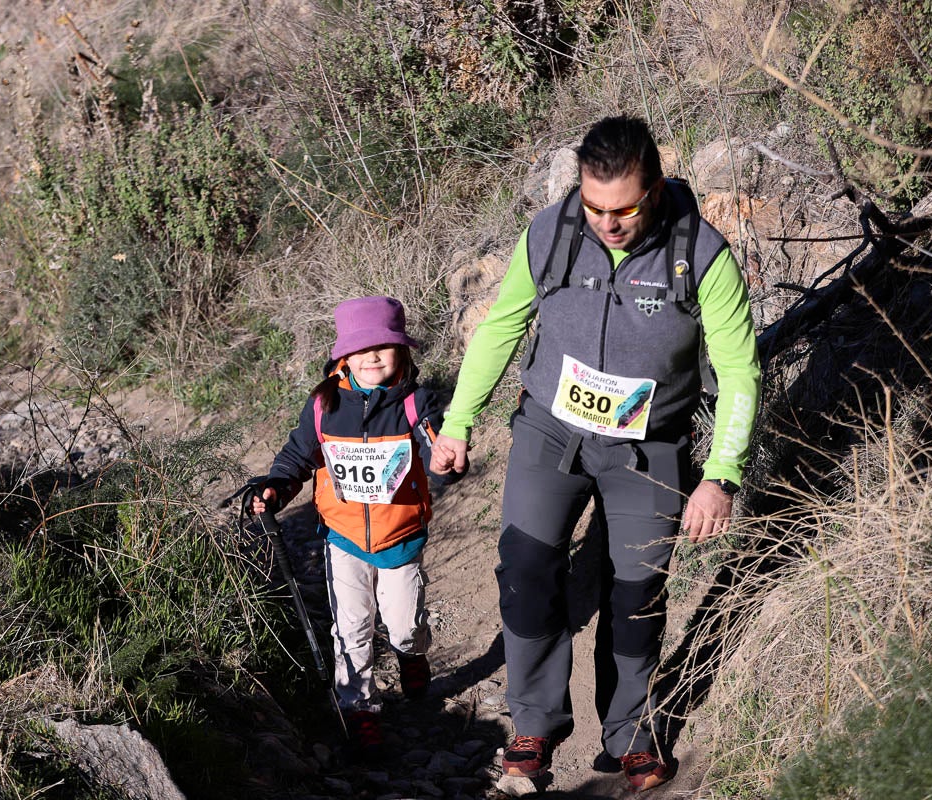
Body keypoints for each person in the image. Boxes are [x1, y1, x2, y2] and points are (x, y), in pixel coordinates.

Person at [431, 116, 761, 792]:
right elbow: (501, 327)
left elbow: (739, 372)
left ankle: (629, 734)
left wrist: (721, 475)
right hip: (551, 432)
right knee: (526, 570)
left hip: (649, 449)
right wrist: (459, 422)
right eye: (595, 207)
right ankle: (535, 722)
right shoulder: (550, 235)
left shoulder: (701, 255)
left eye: (625, 209)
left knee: (636, 592)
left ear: (657, 188)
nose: (609, 223)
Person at [251, 296, 458, 756]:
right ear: (343, 355)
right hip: (342, 538)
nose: (372, 357)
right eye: (361, 348)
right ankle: (360, 710)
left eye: (384, 346)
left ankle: (412, 652)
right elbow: (297, 457)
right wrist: (277, 488)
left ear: (402, 352)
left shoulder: (415, 404)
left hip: (400, 537)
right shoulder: (324, 405)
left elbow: (435, 453)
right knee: (352, 628)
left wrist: (445, 459)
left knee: (404, 626)